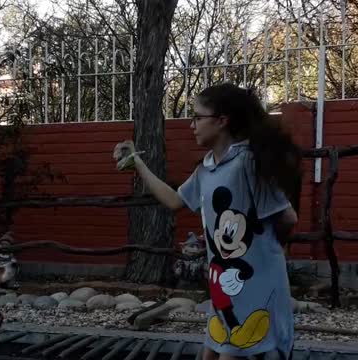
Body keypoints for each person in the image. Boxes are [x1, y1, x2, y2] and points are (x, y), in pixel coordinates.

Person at [114, 83, 301, 360]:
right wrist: (138, 165)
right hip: (224, 286)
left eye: (197, 117)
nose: (192, 125)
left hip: (254, 284)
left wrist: (260, 248)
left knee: (229, 354)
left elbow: (288, 217)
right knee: (209, 354)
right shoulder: (207, 168)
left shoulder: (247, 163)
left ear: (222, 121)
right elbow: (175, 201)